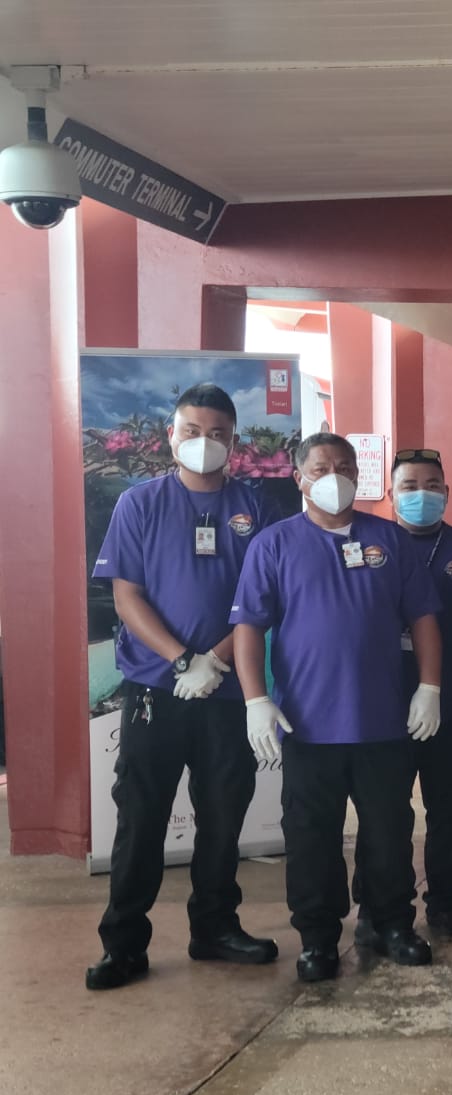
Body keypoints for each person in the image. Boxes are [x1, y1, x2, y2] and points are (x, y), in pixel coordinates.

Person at [85, 383, 280, 991]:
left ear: (234, 441)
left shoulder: (256, 508)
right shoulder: (139, 505)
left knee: (224, 818)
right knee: (141, 818)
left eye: (218, 433)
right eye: (192, 431)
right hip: (155, 692)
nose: (205, 443)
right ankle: (124, 945)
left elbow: (261, 600)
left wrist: (214, 663)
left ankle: (215, 928)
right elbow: (126, 595)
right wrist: (180, 662)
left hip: (227, 693)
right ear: (172, 436)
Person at [231, 432, 445, 983]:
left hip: (381, 722)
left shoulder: (389, 540)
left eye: (345, 466)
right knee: (311, 836)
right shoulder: (275, 544)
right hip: (308, 725)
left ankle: (392, 923)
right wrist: (256, 698)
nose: (335, 476)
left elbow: (423, 617)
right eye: (322, 467)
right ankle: (318, 937)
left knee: (389, 830)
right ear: (299, 479)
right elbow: (248, 626)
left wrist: (429, 686)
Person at [351, 448, 452, 940]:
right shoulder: (369, 547)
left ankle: (445, 902)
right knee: (383, 809)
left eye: (432, 486)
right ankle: (375, 903)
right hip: (382, 703)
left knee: (448, 810)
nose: (421, 495)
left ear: (448, 494)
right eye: (409, 486)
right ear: (391, 494)